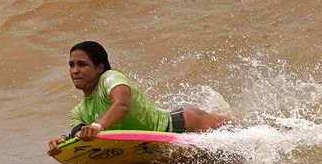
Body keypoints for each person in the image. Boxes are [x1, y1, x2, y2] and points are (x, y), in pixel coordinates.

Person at [47, 41, 230, 156]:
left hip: (181, 124)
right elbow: (78, 135)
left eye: (82, 64)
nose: (75, 70)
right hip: (147, 145)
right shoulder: (78, 112)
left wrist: (96, 127)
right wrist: (63, 142)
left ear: (99, 68)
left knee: (245, 136)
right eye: (71, 65)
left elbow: (121, 106)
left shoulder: (111, 78)